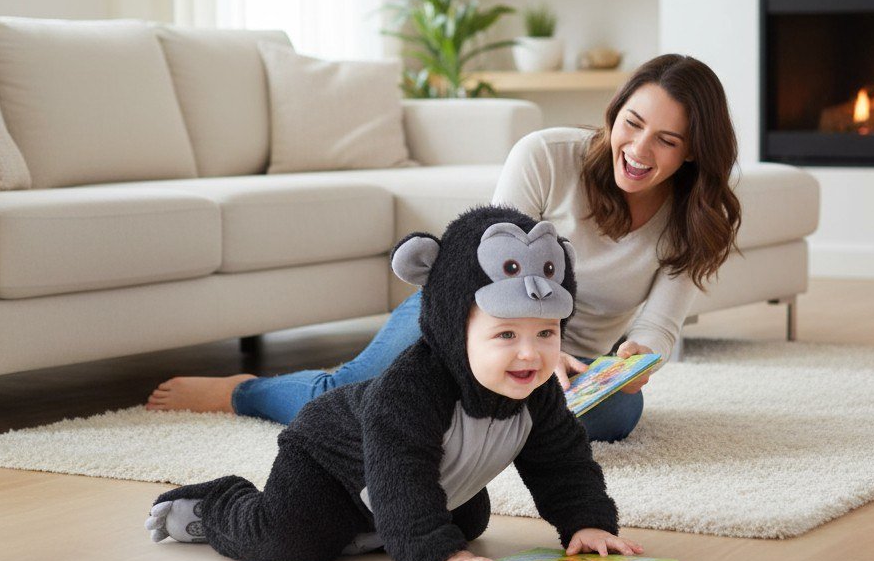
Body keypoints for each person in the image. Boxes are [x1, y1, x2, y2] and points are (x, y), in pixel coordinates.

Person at [147, 53, 741, 443]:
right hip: (466, 324)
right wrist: (535, 343)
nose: (638, 149)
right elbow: (485, 267)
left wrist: (632, 363)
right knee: (356, 402)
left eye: (666, 140)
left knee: (617, 416)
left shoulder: (696, 218)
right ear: (614, 114)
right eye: (631, 124)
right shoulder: (546, 156)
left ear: (691, 153)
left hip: (566, 370)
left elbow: (659, 328)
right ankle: (239, 391)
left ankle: (476, 418)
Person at [145, 206, 643, 561]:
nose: (530, 356)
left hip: (418, 484)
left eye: (546, 335)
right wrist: (438, 554)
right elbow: (398, 471)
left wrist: (587, 522)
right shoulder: (411, 390)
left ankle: (391, 529)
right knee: (292, 542)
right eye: (506, 335)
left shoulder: (539, 394)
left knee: (469, 518)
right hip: (331, 469)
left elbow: (563, 463)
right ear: (454, 331)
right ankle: (217, 504)